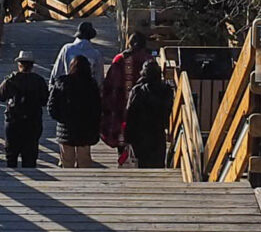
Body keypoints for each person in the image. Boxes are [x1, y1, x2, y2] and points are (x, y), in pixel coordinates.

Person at [100, 29, 153, 163]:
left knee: (122, 136)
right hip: (143, 106)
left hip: (121, 105)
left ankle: (123, 159)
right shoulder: (149, 60)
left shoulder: (120, 59)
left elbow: (110, 84)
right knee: (141, 137)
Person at [0, 50, 49, 169]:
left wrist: (8, 81)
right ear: (32, 66)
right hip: (33, 120)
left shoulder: (12, 79)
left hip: (13, 121)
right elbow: (45, 100)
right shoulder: (38, 80)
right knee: (30, 155)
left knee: (11, 154)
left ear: (19, 65)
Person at [51, 55, 103, 167]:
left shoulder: (62, 82)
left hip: (66, 127)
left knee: (67, 160)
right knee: (84, 160)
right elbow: (97, 107)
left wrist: (61, 119)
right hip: (86, 128)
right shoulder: (91, 84)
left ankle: (68, 182)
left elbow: (52, 106)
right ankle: (84, 182)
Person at [124, 58, 175, 171]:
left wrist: (127, 137)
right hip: (158, 133)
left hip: (140, 135)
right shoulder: (167, 91)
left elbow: (130, 114)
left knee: (141, 164)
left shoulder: (137, 91)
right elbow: (168, 110)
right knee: (158, 164)